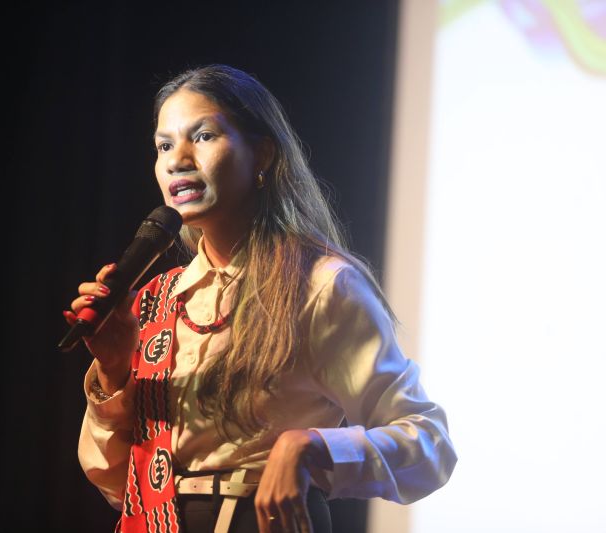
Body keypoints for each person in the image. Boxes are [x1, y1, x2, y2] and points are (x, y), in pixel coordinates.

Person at [67, 64, 456, 533]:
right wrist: (113, 369)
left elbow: (428, 445)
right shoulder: (155, 300)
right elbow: (115, 485)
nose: (178, 160)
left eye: (204, 136)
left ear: (263, 154)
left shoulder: (320, 284)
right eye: (164, 145)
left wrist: (313, 447)